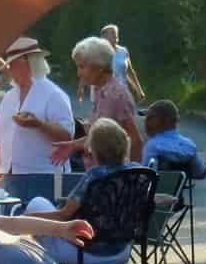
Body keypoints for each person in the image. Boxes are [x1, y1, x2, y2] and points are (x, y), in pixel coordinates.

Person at [26, 118, 140, 264]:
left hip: (86, 251)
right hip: (121, 250)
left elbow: (64, 215)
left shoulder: (94, 176)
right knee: (109, 234)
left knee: (37, 204)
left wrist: (25, 220)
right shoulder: (137, 173)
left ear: (96, 150)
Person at [0, 37, 76, 183]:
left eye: (12, 63)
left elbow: (66, 137)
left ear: (26, 62)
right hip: (10, 176)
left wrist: (39, 125)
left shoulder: (54, 95)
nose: (9, 69)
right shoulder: (10, 97)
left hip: (46, 176)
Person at [51, 37, 144, 167]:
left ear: (98, 67)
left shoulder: (116, 94)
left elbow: (135, 140)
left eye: (82, 67)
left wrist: (135, 177)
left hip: (113, 173)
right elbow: (99, 138)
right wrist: (73, 145)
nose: (79, 74)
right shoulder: (101, 90)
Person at [142, 99, 206, 179]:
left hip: (157, 189)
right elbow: (201, 173)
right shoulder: (189, 145)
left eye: (150, 117)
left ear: (166, 120)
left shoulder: (153, 146)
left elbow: (147, 177)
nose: (145, 121)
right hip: (178, 189)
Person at [101, 24, 146, 102]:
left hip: (123, 93)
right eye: (111, 33)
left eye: (115, 33)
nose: (115, 34)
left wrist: (139, 90)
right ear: (104, 37)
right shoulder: (99, 52)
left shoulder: (123, 51)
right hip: (106, 94)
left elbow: (130, 72)